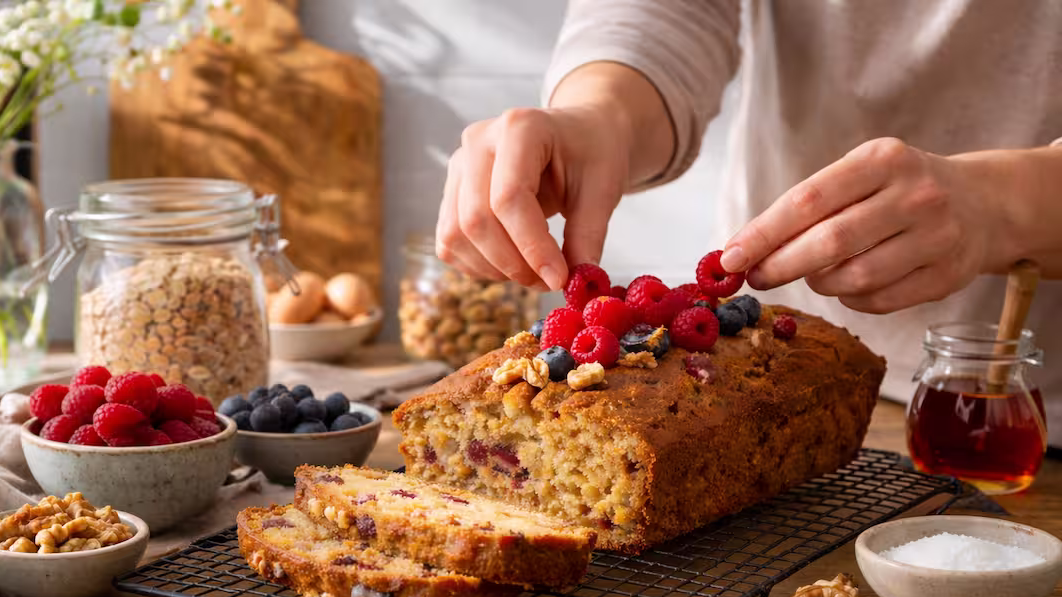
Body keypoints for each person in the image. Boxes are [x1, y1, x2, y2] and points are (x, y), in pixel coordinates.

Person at [434, 0, 1062, 447]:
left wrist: (1013, 202)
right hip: (786, 341)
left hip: (1032, 418)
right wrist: (599, 113)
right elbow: (668, 13)